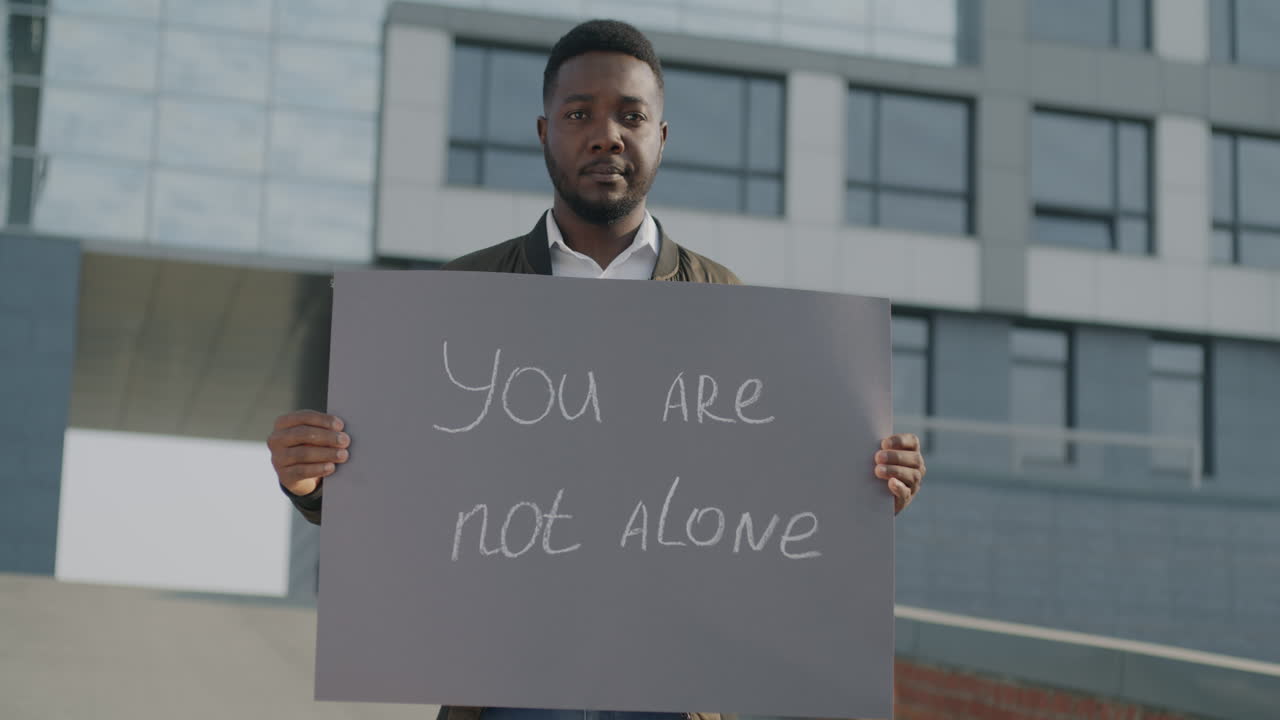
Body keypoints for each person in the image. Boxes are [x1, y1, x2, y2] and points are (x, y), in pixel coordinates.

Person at [268, 19, 925, 720]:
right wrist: (311, 483)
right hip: (506, 689)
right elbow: (407, 487)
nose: (606, 134)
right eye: (580, 114)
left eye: (631, 116)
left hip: (674, 691)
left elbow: (773, 499)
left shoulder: (730, 305)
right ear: (545, 130)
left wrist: (864, 492)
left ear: (661, 139)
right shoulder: (461, 299)